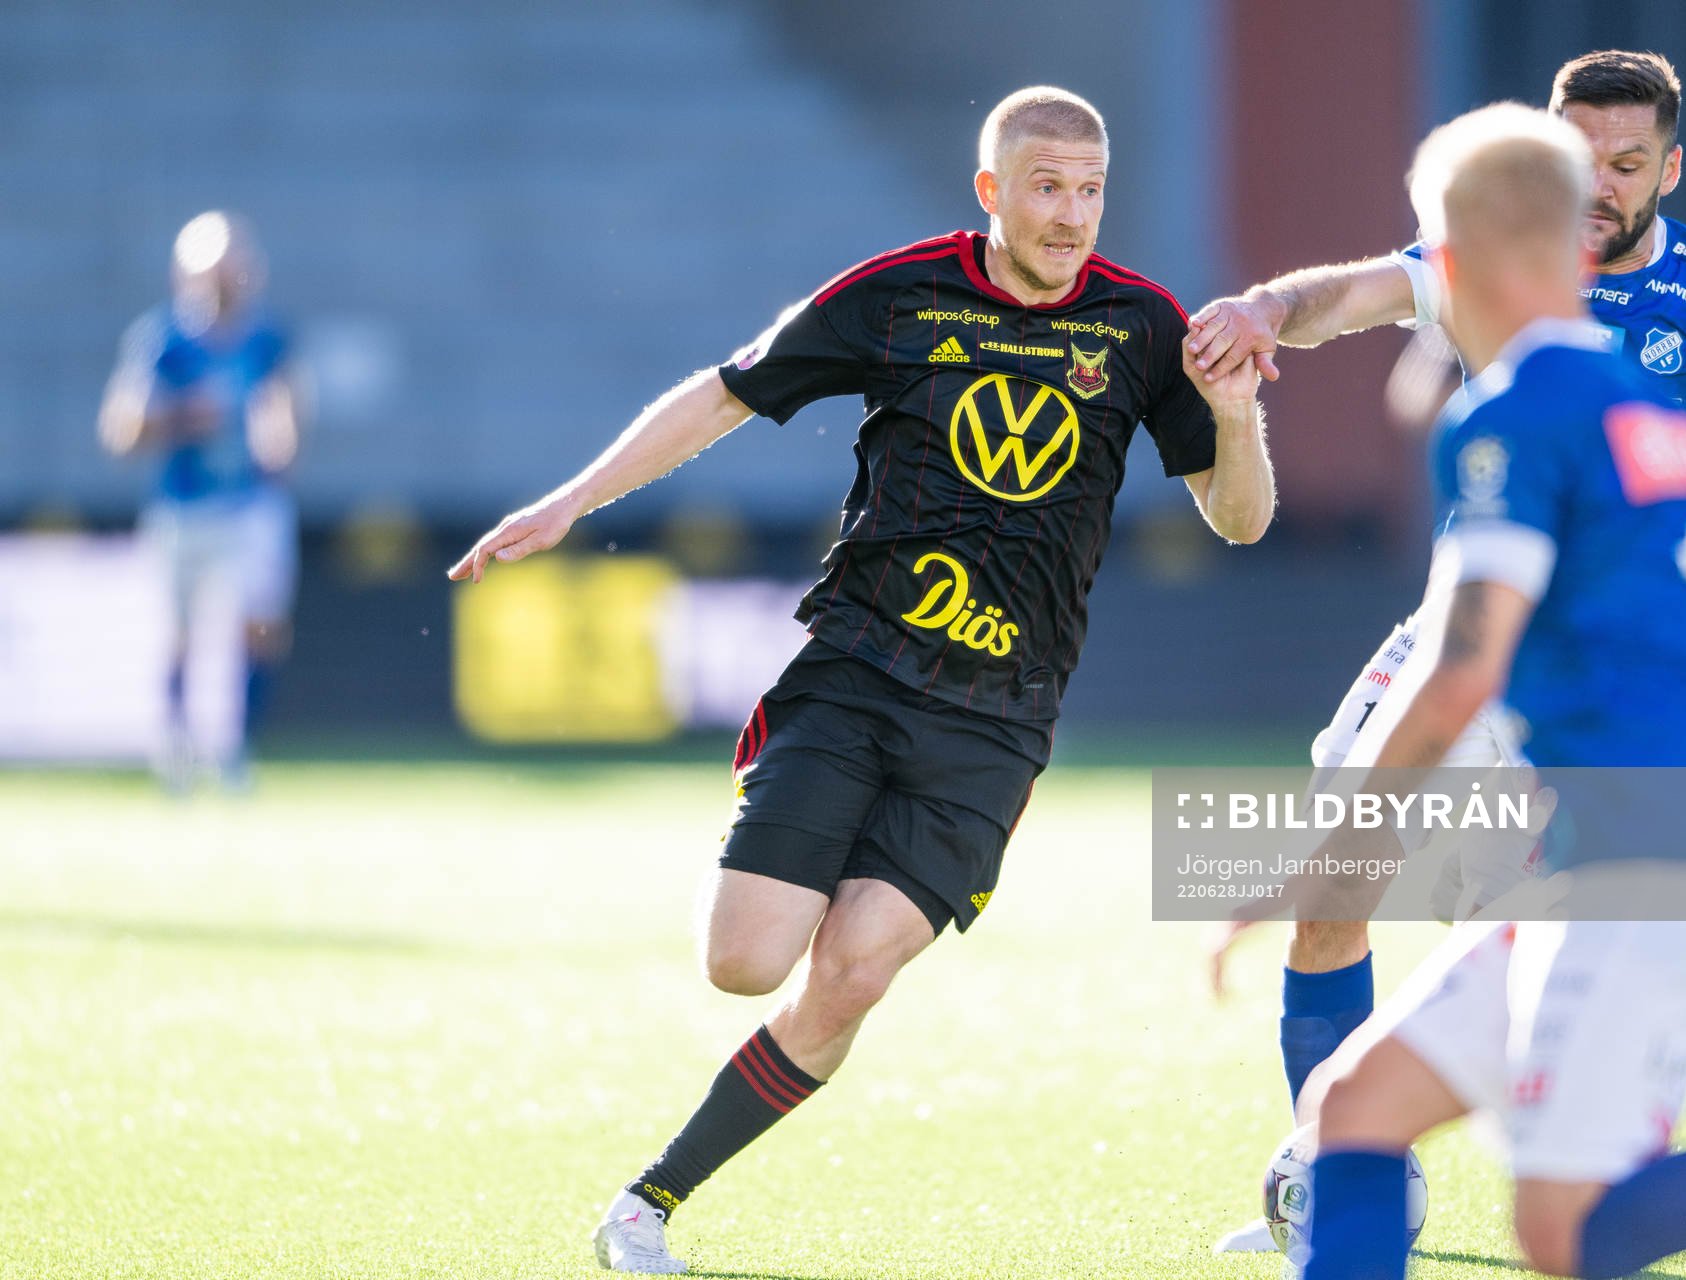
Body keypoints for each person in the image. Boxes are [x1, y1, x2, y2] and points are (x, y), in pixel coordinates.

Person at [447, 86, 1273, 1273]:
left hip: (998, 721)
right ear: (990, 191)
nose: (1071, 215)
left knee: (854, 970)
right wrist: (574, 499)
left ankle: (649, 1201)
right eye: (1046, 187)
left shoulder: (1143, 328)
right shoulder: (897, 293)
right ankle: (788, 852)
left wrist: (1237, 418)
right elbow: (728, 391)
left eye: (1091, 190)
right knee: (744, 960)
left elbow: (1240, 521)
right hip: (859, 672)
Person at [1190, 58, 1686, 1246]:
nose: (1602, 183)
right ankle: (1337, 1188)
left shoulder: (1566, 388)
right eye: (1579, 163)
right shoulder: (1649, 423)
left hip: (1639, 827)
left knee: (1566, 1224)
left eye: (1625, 162)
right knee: (1356, 1092)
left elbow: (1466, 669)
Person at [99, 211, 302, 791]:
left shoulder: (266, 337)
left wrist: (280, 444)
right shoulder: (162, 338)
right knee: (179, 631)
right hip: (183, 504)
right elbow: (121, 427)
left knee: (260, 622)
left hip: (250, 503)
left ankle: (237, 745)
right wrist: (185, 415)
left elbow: (286, 405)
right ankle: (178, 744)